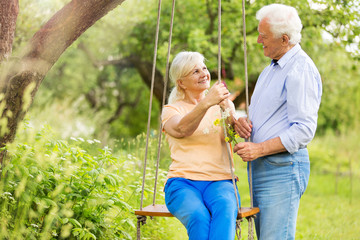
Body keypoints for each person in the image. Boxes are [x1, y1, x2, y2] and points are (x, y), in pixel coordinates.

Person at [233, 4, 322, 240]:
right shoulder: (270, 70)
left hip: (282, 168)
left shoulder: (300, 69)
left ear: (284, 39)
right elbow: (267, 117)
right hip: (264, 166)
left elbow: (303, 130)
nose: (259, 40)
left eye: (264, 36)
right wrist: (243, 123)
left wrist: (259, 148)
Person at [161, 51, 239, 240]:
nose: (203, 73)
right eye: (195, 71)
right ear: (181, 82)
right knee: (198, 216)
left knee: (226, 209)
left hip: (220, 181)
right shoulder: (171, 111)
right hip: (182, 183)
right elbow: (181, 130)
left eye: (204, 68)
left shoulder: (222, 105)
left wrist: (233, 118)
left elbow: (231, 135)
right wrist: (206, 102)